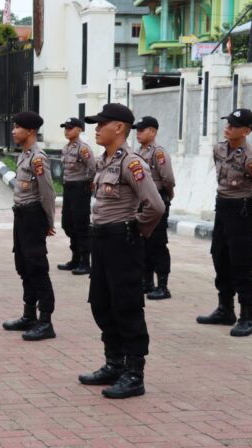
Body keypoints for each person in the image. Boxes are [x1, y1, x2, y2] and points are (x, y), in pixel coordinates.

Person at [78, 103, 164, 399]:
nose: (96, 128)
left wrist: (136, 229)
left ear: (119, 127)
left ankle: (134, 373)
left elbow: (155, 205)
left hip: (122, 241)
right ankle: (114, 364)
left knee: (126, 306)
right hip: (100, 240)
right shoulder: (104, 161)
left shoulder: (132, 162)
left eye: (102, 124)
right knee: (101, 303)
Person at [197, 109, 252, 337]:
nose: (227, 127)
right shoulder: (218, 148)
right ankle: (225, 308)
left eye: (233, 125)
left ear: (246, 131)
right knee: (220, 257)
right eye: (227, 123)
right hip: (222, 207)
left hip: (241, 211)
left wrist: (251, 198)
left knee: (241, 263)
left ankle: (247, 316)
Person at [1, 112, 58, 341]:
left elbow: (48, 193)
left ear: (31, 131)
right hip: (21, 216)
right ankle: (29, 314)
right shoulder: (23, 155)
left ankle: (45, 321)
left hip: (33, 216)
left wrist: (49, 221)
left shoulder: (37, 158)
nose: (13, 131)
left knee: (37, 267)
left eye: (18, 127)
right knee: (23, 266)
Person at [132, 116, 176, 300]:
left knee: (158, 243)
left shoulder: (158, 153)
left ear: (153, 131)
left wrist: (166, 196)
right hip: (141, 202)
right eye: (137, 130)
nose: (138, 133)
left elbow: (168, 179)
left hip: (157, 200)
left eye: (142, 130)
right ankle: (146, 281)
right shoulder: (137, 152)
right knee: (143, 244)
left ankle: (163, 285)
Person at [56, 117, 95, 275]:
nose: (67, 130)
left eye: (70, 128)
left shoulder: (83, 148)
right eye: (65, 128)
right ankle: (75, 258)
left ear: (79, 130)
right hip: (69, 188)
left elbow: (92, 168)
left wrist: (89, 185)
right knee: (68, 223)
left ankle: (85, 262)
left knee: (81, 225)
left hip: (81, 188)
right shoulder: (66, 148)